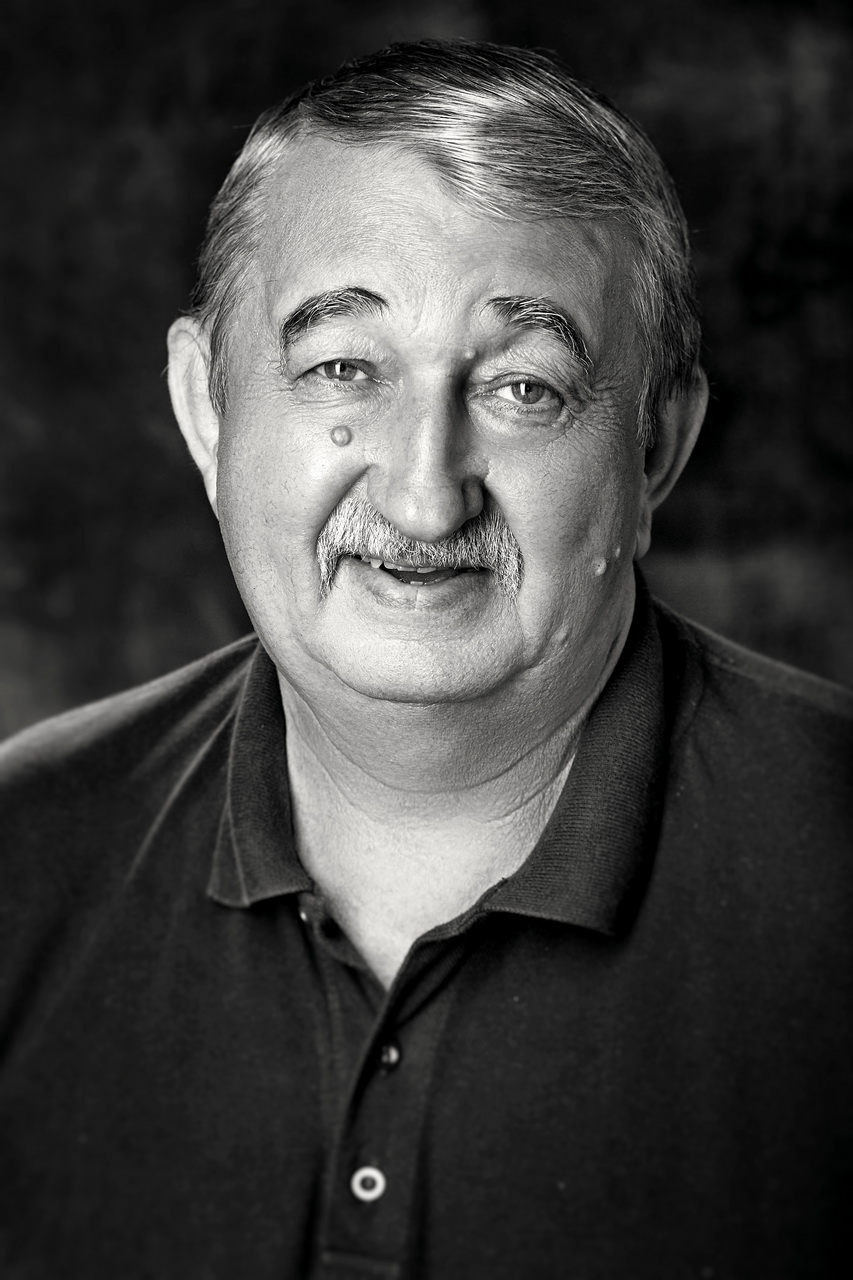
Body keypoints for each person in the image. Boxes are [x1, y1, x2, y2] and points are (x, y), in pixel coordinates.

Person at [1, 38, 851, 1280]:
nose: (422, 493)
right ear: (205, 406)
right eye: (344, 367)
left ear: (654, 448)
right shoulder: (22, 855)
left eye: (522, 388)